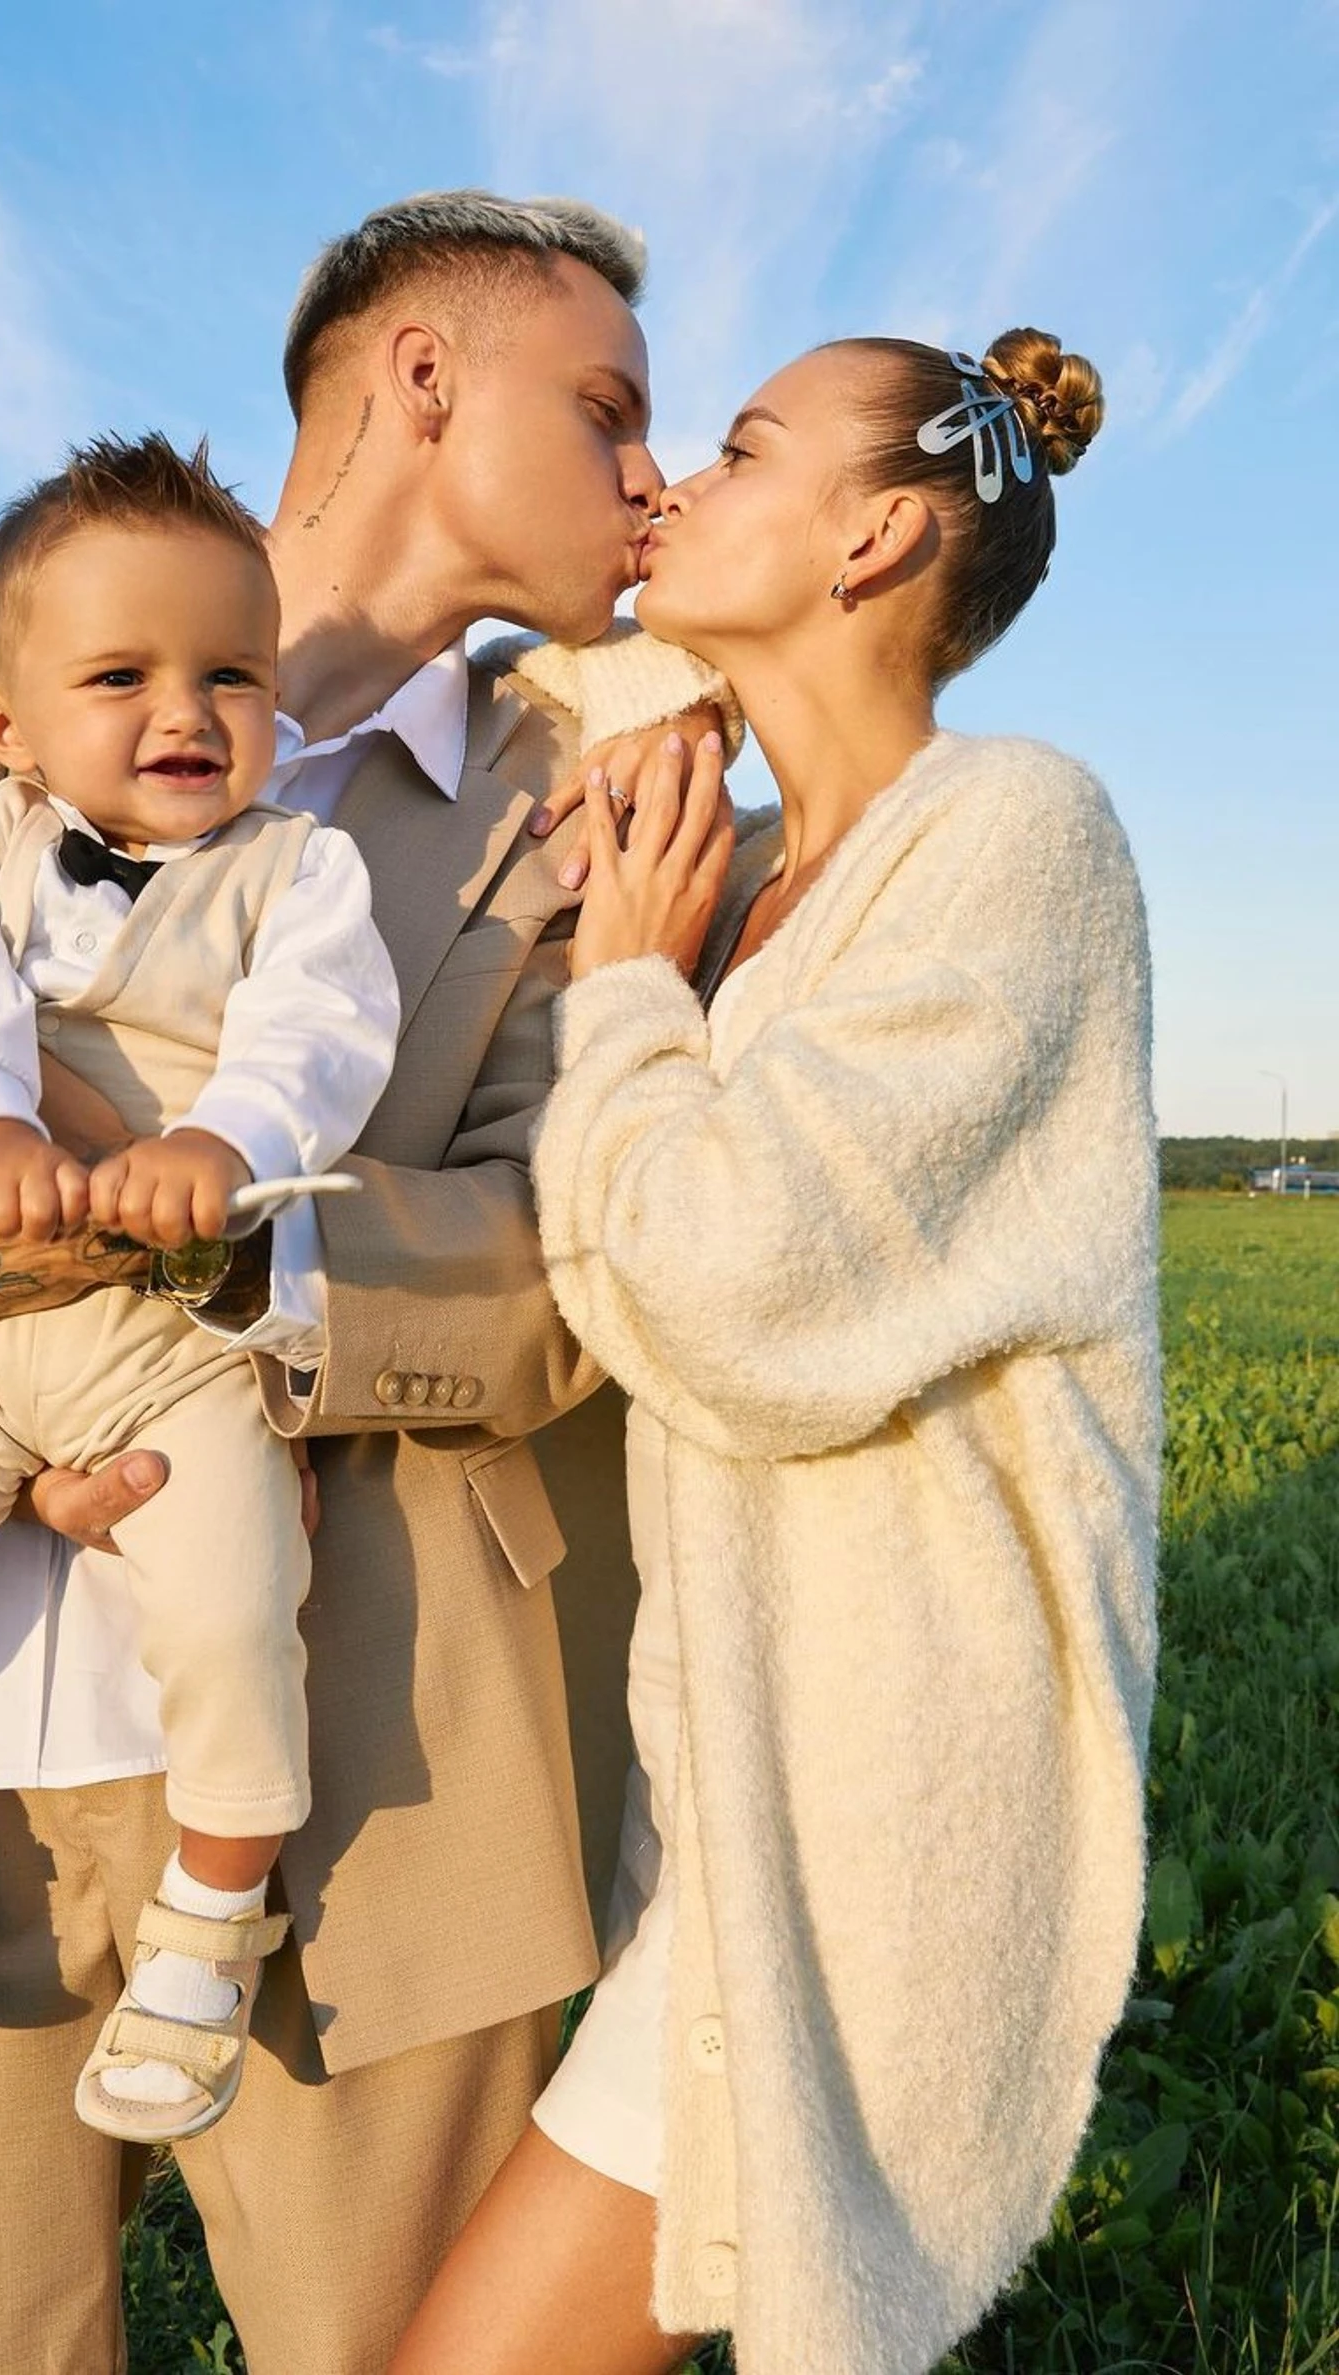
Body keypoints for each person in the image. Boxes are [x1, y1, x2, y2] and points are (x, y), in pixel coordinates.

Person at [0, 189, 733, 2373]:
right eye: (606, 408)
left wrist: (231, 1269)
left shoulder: (585, 794)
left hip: (385, 1786)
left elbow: (578, 1253)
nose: (649, 472)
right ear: (422, 376)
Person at [393, 330, 1161, 2375]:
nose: (667, 485)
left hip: (865, 1809)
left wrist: (626, 998)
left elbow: (730, 1283)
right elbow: (527, 674)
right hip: (711, 1764)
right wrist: (667, 725)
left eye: (736, 449)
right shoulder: (731, 871)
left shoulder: (1011, 833)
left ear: (877, 532)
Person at [0, 429, 403, 2147]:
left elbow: (321, 1029)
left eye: (232, 675)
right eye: (121, 677)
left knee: (232, 1608)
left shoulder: (303, 867)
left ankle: (215, 1907)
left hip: (173, 1344)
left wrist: (228, 1136)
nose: (185, 712)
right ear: (9, 723)